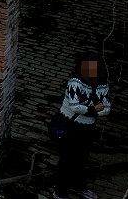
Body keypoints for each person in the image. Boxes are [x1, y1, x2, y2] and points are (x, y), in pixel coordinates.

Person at [53, 52, 111, 199]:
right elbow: (74, 106)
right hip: (69, 125)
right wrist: (94, 109)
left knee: (82, 158)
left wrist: (93, 111)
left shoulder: (102, 85)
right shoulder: (75, 83)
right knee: (67, 159)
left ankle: (78, 185)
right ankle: (60, 192)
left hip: (87, 128)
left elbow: (107, 108)